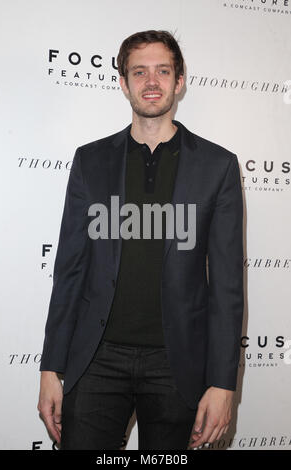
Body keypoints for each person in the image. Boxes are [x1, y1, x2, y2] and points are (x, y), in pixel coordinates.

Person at [38, 30, 244, 450]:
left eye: (163, 70)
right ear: (122, 82)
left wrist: (223, 383)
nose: (152, 81)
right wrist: (50, 367)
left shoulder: (218, 167)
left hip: (178, 363)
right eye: (139, 71)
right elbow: (70, 270)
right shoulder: (90, 161)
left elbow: (226, 287)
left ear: (179, 80)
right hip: (96, 358)